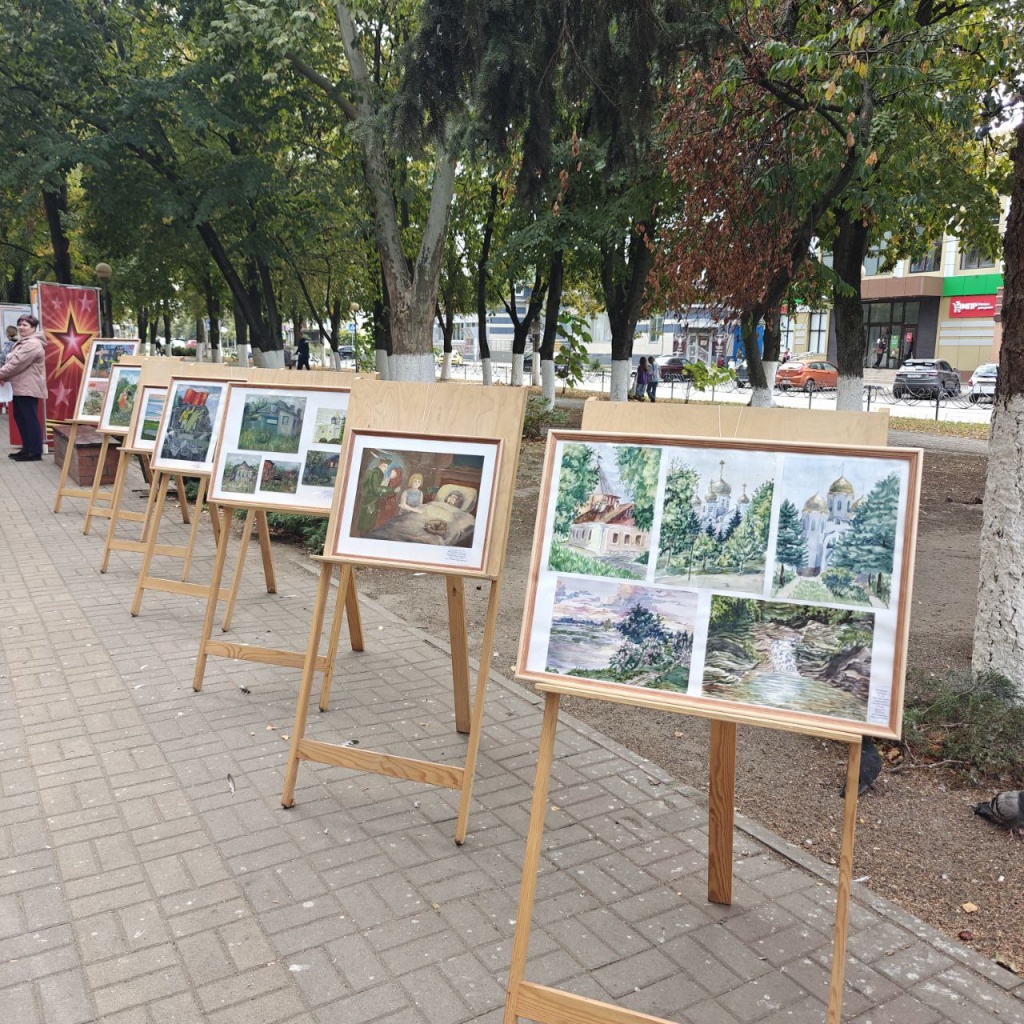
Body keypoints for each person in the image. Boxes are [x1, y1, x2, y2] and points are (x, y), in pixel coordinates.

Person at [0, 314, 47, 462]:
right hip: (20, 386)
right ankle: (27, 449)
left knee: (29, 418)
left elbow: (16, 364)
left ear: (33, 328)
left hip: (28, 387)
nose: (21, 327)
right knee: (20, 417)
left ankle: (35, 452)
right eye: (19, 324)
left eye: (25, 325)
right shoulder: (23, 342)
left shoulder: (32, 344)